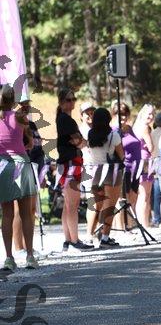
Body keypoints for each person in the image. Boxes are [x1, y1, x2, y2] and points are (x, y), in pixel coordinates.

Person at [0, 85, 38, 270]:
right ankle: (30, 256)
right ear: (13, 99)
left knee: (7, 214)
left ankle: (9, 257)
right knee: (26, 214)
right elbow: (30, 141)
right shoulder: (20, 117)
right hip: (21, 164)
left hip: (3, 166)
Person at [56, 87, 94, 252]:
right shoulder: (67, 120)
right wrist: (81, 141)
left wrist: (81, 141)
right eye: (68, 100)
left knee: (68, 204)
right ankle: (74, 240)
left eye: (73, 99)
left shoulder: (63, 119)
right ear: (61, 102)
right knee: (73, 204)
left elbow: (79, 141)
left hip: (70, 163)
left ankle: (68, 239)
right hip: (71, 163)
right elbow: (80, 142)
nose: (71, 102)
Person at [13, 97, 46, 259]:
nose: (25, 107)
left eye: (27, 104)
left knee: (31, 210)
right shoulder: (12, 124)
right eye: (22, 104)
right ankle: (18, 247)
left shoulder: (32, 125)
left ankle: (28, 246)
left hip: (33, 168)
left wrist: (42, 173)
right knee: (19, 210)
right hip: (19, 168)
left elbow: (39, 149)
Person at [86, 107, 124, 247]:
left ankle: (89, 236)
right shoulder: (114, 135)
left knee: (96, 206)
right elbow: (122, 155)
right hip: (111, 171)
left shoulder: (90, 134)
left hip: (95, 171)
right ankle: (105, 237)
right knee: (109, 205)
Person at [111, 101, 142, 232]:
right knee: (122, 199)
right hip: (124, 168)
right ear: (114, 115)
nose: (123, 117)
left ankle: (130, 225)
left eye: (125, 114)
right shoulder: (114, 131)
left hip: (136, 168)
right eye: (119, 114)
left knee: (132, 198)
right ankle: (121, 228)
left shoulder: (129, 128)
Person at [132, 104, 155, 228]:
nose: (151, 116)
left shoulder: (135, 126)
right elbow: (151, 147)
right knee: (145, 195)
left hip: (137, 160)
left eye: (153, 114)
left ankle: (142, 222)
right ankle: (144, 224)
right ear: (143, 114)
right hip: (145, 161)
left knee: (141, 194)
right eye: (149, 113)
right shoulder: (145, 127)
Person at [78, 101, 96, 242]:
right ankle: (89, 233)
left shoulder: (98, 129)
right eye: (87, 113)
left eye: (92, 112)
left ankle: (96, 231)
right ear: (81, 116)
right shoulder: (80, 130)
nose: (90, 115)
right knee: (93, 200)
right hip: (87, 167)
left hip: (100, 166)